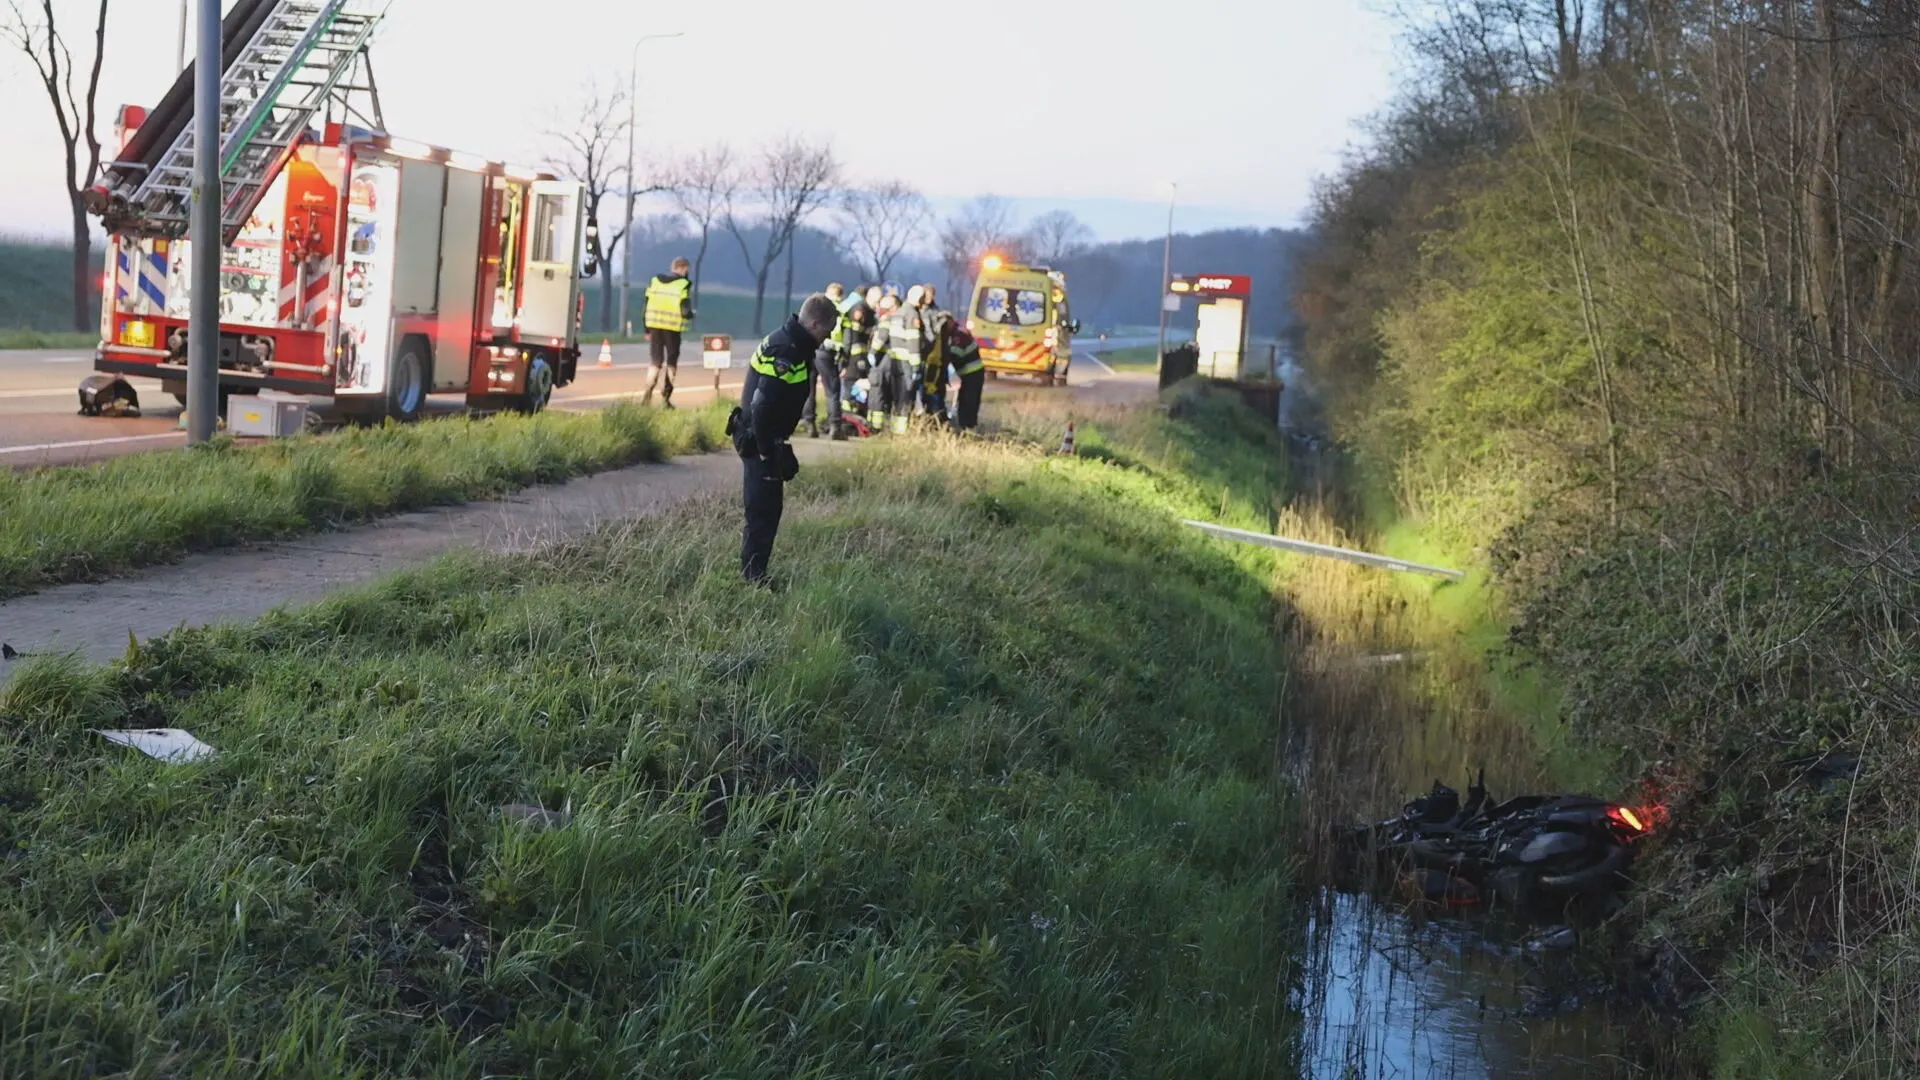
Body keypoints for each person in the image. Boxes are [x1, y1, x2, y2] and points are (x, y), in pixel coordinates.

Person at [734, 293, 840, 584]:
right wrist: (768, 452)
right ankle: (753, 578)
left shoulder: (796, 343)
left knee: (770, 508)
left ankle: (756, 572)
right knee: (762, 510)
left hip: (767, 435)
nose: (828, 337)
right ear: (815, 324)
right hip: (759, 437)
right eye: (828, 330)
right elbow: (761, 405)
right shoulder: (786, 349)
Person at [642, 257, 694, 407]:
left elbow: (645, 306)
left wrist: (646, 329)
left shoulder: (655, 282)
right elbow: (685, 311)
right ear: (682, 268)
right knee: (671, 363)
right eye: (687, 269)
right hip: (673, 329)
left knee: (655, 362)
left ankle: (647, 395)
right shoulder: (683, 284)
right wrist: (691, 315)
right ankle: (665, 398)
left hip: (654, 327)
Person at [801, 283, 851, 439]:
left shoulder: (816, 307)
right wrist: (845, 359)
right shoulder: (842, 311)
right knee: (832, 391)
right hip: (829, 353)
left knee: (809, 388)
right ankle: (835, 426)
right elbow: (847, 337)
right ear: (841, 295)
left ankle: (809, 423)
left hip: (811, 348)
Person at [866, 291, 901, 433]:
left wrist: (872, 352)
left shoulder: (887, 319)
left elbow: (881, 338)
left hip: (883, 360)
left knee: (878, 391)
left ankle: (876, 426)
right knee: (887, 394)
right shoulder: (900, 319)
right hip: (893, 361)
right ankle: (882, 425)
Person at [946, 320, 985, 430]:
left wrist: (944, 357)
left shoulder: (958, 336)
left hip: (972, 374)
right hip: (972, 373)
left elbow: (956, 355)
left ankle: (967, 426)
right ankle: (968, 425)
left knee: (968, 401)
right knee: (967, 400)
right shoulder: (958, 333)